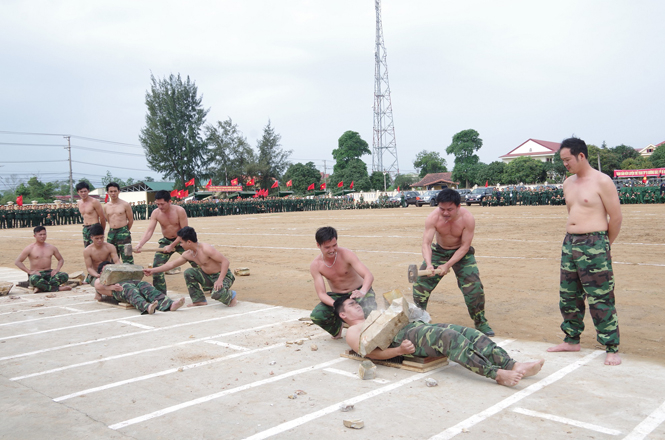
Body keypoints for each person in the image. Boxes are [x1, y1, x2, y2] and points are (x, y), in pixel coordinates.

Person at [335, 295, 544, 387]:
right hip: (405, 340)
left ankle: (512, 364)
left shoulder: (373, 314)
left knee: (467, 332)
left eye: (356, 303)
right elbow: (370, 354)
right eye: (351, 305)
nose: (358, 306)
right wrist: (398, 351)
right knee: (451, 339)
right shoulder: (353, 331)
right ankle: (497, 374)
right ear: (343, 315)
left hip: (414, 328)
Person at [548, 137, 622, 366]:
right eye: (562, 161)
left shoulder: (602, 181)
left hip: (594, 243)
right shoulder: (568, 183)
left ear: (581, 156)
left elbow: (616, 217)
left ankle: (611, 346)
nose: (565, 164)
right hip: (570, 243)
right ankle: (572, 339)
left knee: (600, 297)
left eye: (567, 159)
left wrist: (603, 245)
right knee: (569, 295)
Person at [412, 188, 494, 336]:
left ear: (458, 206)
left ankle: (480, 322)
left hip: (462, 254)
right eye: (442, 208)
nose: (445, 213)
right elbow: (426, 243)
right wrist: (429, 264)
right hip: (439, 251)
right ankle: (418, 319)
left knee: (474, 288)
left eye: (450, 209)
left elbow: (465, 246)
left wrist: (447, 265)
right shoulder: (433, 218)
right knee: (420, 286)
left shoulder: (467, 218)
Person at [309, 226, 377, 339]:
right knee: (318, 315)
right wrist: (336, 305)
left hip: (358, 292)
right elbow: (321, 293)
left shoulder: (346, 254)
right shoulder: (316, 265)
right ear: (318, 245)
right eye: (327, 247)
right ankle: (337, 329)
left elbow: (368, 275)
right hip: (338, 297)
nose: (332, 250)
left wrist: (363, 291)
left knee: (370, 315)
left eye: (334, 245)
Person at [143, 226, 237, 307]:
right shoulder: (188, 254)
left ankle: (231, 295)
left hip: (223, 276)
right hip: (208, 277)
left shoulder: (206, 249)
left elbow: (225, 261)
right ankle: (199, 300)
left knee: (216, 294)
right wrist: (153, 270)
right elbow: (171, 264)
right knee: (189, 272)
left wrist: (220, 279)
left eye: (181, 242)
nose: (180, 245)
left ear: (188, 242)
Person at [134, 190, 191, 294]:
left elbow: (184, 231)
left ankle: (210, 285)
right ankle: (160, 294)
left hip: (182, 240)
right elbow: (150, 230)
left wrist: (172, 245)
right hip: (166, 241)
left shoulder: (179, 211)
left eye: (162, 204)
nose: (160, 207)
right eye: (157, 204)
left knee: (198, 261)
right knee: (156, 267)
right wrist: (140, 244)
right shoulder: (156, 213)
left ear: (169, 201)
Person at [94, 262, 185, 314]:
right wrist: (112, 287)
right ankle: (147, 307)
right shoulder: (99, 280)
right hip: (121, 290)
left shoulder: (118, 275)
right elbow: (98, 285)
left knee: (146, 286)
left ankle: (169, 304)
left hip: (130, 283)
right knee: (128, 288)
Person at [14, 226, 71, 292]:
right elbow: (18, 262)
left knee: (64, 275)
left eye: (44, 234)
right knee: (34, 279)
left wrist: (57, 269)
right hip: (37, 273)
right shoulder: (30, 248)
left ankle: (42, 287)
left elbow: (60, 259)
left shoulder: (51, 247)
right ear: (34, 236)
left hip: (49, 273)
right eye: (40, 235)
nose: (42, 236)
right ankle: (57, 288)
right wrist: (29, 272)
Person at [103, 182, 134, 264]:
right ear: (108, 192)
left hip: (123, 231)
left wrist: (125, 231)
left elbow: (130, 219)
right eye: (111, 191)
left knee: (126, 255)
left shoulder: (125, 204)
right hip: (112, 232)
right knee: (112, 256)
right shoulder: (106, 206)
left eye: (115, 191)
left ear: (119, 191)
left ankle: (129, 274)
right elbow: (108, 219)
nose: (113, 193)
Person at [76, 181, 106, 248]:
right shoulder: (79, 203)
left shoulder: (94, 202)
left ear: (88, 191)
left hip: (94, 226)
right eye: (81, 191)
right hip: (85, 228)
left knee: (97, 248)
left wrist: (101, 231)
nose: (83, 193)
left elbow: (102, 217)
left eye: (85, 191)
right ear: (78, 192)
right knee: (87, 248)